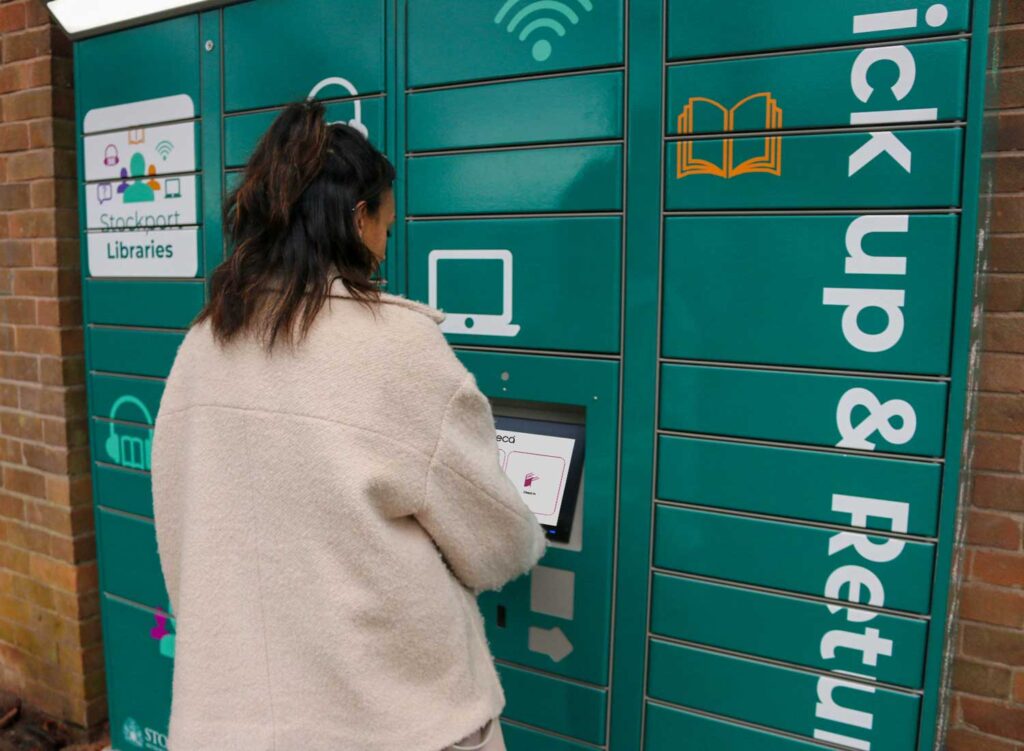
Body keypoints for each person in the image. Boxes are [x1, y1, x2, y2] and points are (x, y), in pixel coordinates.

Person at [150, 99, 547, 751]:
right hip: (396, 721)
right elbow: (496, 542)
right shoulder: (400, 346)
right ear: (358, 219)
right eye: (387, 227)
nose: (387, 246)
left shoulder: (203, 344)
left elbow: (183, 527)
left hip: (232, 722)